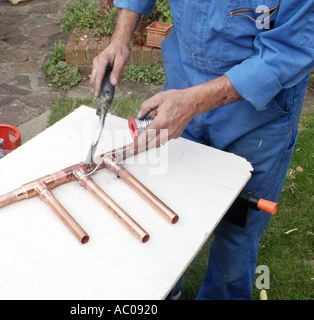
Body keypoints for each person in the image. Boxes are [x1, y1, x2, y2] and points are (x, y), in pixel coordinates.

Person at [90, 0, 314, 300]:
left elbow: (288, 51)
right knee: (164, 207)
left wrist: (194, 102)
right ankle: (165, 291)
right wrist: (119, 40)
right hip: (184, 80)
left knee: (236, 235)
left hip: (260, 112)